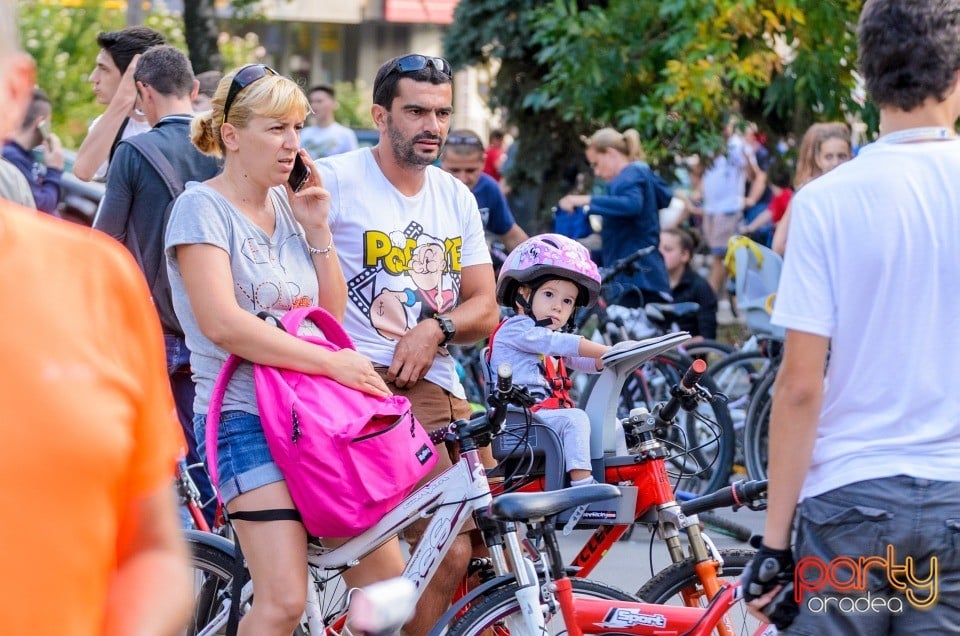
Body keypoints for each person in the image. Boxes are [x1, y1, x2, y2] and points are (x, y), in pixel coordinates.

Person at [742, 1, 960, 633]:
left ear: (867, 76)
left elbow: (802, 385)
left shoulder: (823, 203)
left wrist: (775, 544)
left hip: (851, 514)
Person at [165, 64, 398, 635]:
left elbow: (329, 318)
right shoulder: (202, 209)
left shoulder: (289, 211)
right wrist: (334, 363)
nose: (293, 143)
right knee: (282, 601)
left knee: (389, 588)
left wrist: (318, 230)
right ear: (231, 135)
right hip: (244, 418)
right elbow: (224, 325)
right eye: (276, 129)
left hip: (313, 417)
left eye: (297, 127)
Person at [0, 7, 192, 634]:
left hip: (166, 331)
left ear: (14, 90)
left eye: (102, 72)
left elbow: (153, 550)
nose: (89, 81)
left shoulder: (98, 282)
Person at [315, 53, 500, 635]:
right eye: (416, 111)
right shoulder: (335, 179)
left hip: (435, 389)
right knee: (377, 548)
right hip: (353, 385)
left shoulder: (454, 196)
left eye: (442, 113)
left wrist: (436, 328)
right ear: (380, 114)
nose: (433, 126)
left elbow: (484, 305)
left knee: (457, 547)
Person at [94, 44, 221, 525]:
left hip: (162, 330)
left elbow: (105, 245)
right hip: (225, 325)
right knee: (217, 441)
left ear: (142, 92)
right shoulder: (225, 147)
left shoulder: (134, 150)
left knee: (168, 450)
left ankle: (192, 552)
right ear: (193, 90)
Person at [489, 234, 609, 485]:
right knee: (576, 419)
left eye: (567, 301)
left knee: (609, 427)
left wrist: (607, 361)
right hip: (518, 420)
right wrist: (606, 350)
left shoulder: (544, 337)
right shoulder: (517, 328)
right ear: (523, 293)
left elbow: (578, 360)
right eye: (549, 295)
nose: (558, 307)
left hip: (542, 419)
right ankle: (583, 486)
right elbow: (564, 344)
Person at [558, 127, 672, 307]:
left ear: (610, 153)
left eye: (595, 164)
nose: (596, 173)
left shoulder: (629, 174)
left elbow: (632, 205)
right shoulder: (638, 174)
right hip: (646, 278)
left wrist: (585, 200)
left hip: (637, 282)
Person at [73, 26, 165, 182]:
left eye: (104, 69)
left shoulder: (174, 125)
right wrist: (122, 101)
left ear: (135, 74)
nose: (93, 78)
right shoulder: (110, 124)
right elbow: (83, 171)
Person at [440, 128, 528, 251]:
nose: (462, 178)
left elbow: (512, 236)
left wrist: (538, 262)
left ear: (483, 162)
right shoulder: (424, 184)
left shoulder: (489, 188)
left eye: (470, 170)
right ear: (442, 160)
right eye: (454, 170)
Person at [771, 122, 852, 255]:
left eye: (841, 156)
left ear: (851, 156)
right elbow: (778, 246)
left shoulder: (808, 193)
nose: (836, 163)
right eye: (829, 156)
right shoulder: (807, 194)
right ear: (818, 159)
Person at [700, 116, 758, 293]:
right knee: (718, 255)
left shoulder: (737, 145)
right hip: (711, 208)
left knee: (719, 256)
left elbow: (755, 175)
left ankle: (709, 298)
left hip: (728, 209)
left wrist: (751, 199)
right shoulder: (710, 144)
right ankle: (718, 296)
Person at [2, 88, 63, 214]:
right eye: (49, 122)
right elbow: (40, 210)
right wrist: (54, 170)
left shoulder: (24, 154)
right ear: (40, 123)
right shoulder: (11, 157)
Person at [659, 227, 717, 340]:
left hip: (688, 355)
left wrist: (675, 346)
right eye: (658, 249)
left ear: (685, 255)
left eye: (668, 249)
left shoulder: (700, 287)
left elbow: (708, 337)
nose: (660, 254)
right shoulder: (653, 286)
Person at [299, 83, 358, 159]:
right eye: (311, 102)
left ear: (333, 103)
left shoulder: (346, 135)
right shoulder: (303, 134)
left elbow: (352, 164)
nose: (313, 106)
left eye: (319, 101)